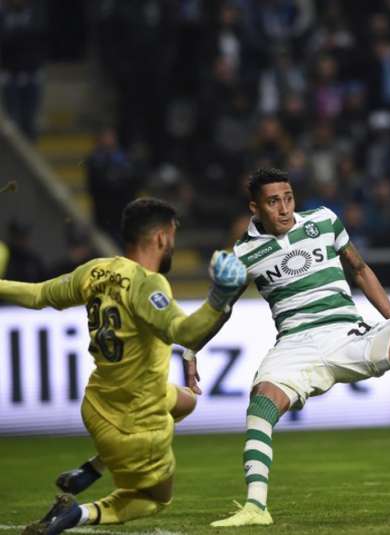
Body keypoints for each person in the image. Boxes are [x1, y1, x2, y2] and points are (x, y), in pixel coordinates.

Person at [209, 168, 390, 527]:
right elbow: (219, 311)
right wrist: (190, 351)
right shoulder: (244, 254)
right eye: (272, 202)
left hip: (347, 333)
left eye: (288, 198)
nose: (284, 208)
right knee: (261, 405)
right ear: (255, 208)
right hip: (295, 345)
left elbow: (359, 268)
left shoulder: (324, 220)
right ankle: (256, 507)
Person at [0, 198, 247, 534]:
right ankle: (76, 515)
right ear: (161, 237)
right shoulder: (149, 285)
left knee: (185, 400)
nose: (173, 243)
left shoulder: (96, 270)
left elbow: (39, 294)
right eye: (172, 236)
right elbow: (183, 331)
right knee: (155, 499)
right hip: (134, 424)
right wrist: (219, 297)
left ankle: (93, 469)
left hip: (98, 405)